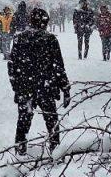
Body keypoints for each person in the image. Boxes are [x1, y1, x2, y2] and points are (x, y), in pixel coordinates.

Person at [8, 8, 70, 155]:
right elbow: (58, 66)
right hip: (45, 87)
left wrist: (16, 85)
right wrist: (65, 88)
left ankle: (20, 150)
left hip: (26, 87)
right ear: (45, 22)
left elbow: (12, 65)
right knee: (51, 121)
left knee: (23, 121)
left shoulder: (19, 39)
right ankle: (55, 150)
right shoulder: (50, 39)